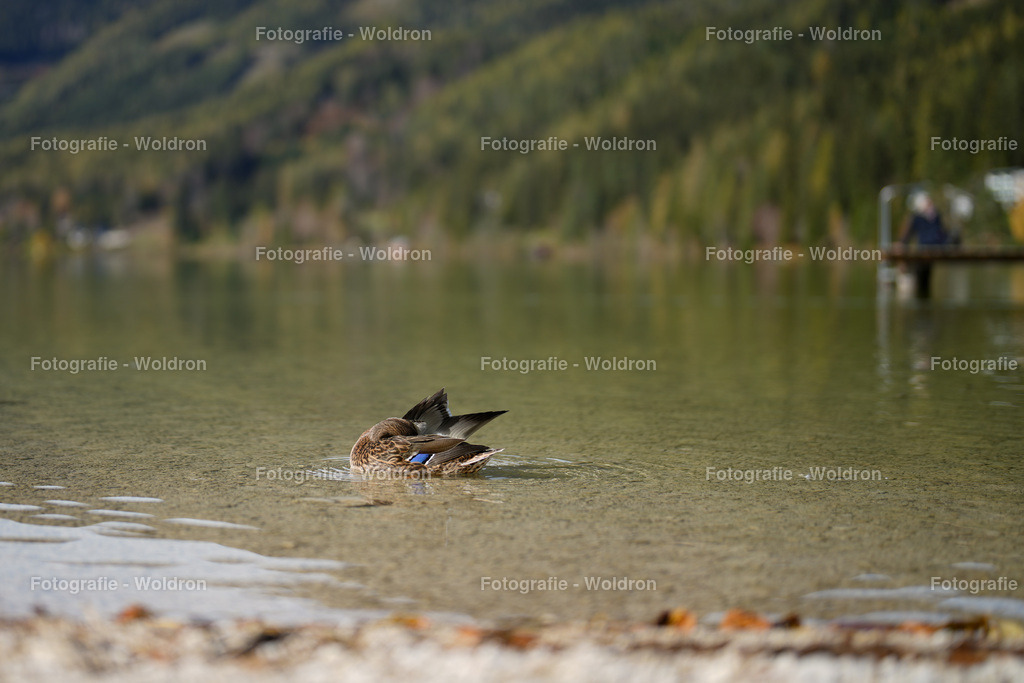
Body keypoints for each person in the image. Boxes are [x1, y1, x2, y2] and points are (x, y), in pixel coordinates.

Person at [899, 193, 950, 297]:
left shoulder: (935, 216)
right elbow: (907, 233)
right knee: (922, 271)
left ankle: (922, 293)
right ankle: (921, 292)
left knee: (924, 273)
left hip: (933, 248)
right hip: (924, 248)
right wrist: (902, 244)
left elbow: (941, 232)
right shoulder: (918, 217)